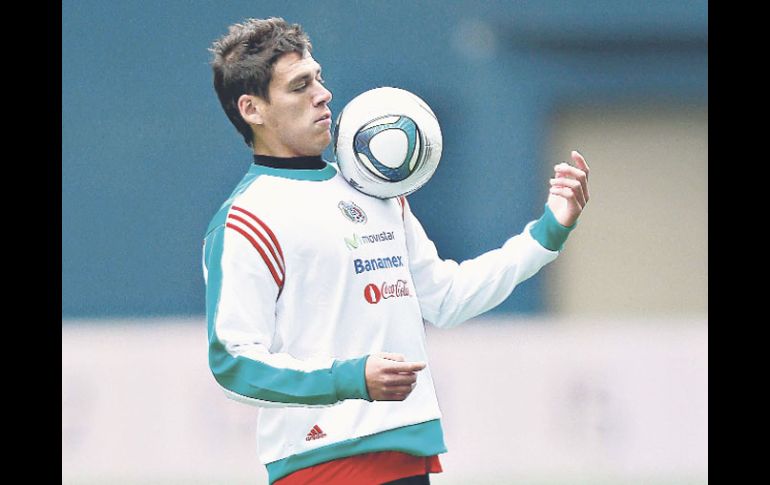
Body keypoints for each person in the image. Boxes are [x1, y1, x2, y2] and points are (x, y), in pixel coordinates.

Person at [202, 17, 590, 485]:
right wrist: (351, 378)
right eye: (299, 86)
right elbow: (234, 364)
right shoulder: (247, 219)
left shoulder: (372, 188)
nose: (322, 94)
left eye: (319, 78)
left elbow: (446, 298)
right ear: (252, 109)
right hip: (322, 464)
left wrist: (547, 233)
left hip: (406, 450)